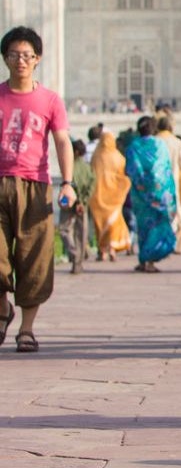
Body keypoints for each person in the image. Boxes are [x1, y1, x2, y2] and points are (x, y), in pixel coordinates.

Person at [0, 27, 77, 353]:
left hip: (35, 185)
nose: (21, 61)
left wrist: (68, 182)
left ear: (37, 59)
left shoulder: (50, 100)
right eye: (14, 55)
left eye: (27, 55)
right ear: (5, 58)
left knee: (34, 258)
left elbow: (62, 141)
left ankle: (26, 329)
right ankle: (3, 308)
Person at [124, 116, 178, 273]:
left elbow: (131, 170)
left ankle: (144, 260)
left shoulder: (133, 147)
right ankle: (150, 260)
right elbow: (165, 169)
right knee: (156, 227)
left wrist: (142, 184)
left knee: (143, 228)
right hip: (160, 195)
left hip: (140, 196)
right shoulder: (160, 145)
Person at [89, 132, 132, 261]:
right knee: (114, 223)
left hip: (97, 196)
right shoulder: (117, 157)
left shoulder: (95, 156)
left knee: (100, 224)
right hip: (114, 197)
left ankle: (102, 251)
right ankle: (112, 249)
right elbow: (124, 175)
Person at [58, 140, 95, 275]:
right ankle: (78, 261)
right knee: (81, 233)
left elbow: (71, 183)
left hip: (69, 201)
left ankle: (74, 253)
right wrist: (83, 202)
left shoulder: (70, 167)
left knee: (64, 230)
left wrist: (77, 201)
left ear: (75, 152)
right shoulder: (88, 168)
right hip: (83, 204)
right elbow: (92, 185)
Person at [155, 115, 181, 254]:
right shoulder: (177, 143)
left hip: (157, 184)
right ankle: (177, 245)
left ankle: (162, 244)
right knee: (178, 214)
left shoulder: (155, 141)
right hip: (174, 182)